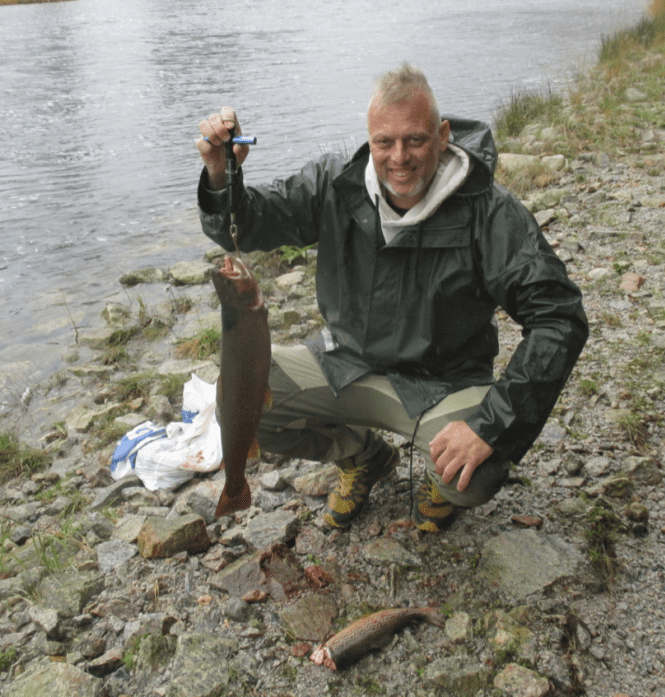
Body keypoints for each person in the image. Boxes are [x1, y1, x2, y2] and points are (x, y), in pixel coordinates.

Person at [195, 63, 588, 533]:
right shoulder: (334, 185)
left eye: (415, 140)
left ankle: (437, 474)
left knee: (475, 474)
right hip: (345, 362)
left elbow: (560, 318)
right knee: (238, 403)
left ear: (442, 136)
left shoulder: (489, 211)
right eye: (384, 142)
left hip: (443, 383)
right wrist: (221, 176)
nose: (398, 157)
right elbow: (252, 222)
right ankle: (363, 457)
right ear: (369, 140)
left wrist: (489, 427)